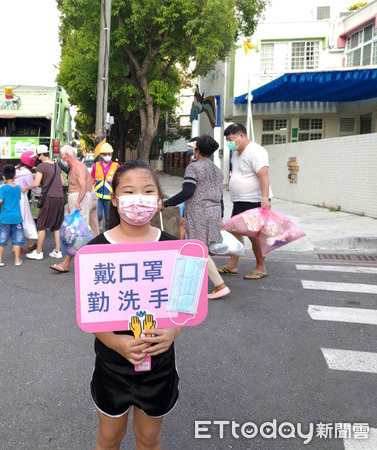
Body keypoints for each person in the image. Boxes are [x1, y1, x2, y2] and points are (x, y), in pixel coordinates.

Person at [85, 160, 182, 449]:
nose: (138, 199)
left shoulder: (173, 248)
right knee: (109, 437)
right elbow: (91, 311)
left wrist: (173, 331)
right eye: (129, 191)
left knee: (149, 439)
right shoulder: (96, 251)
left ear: (159, 200)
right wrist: (115, 342)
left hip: (159, 362)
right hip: (113, 363)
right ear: (114, 199)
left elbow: (183, 305)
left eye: (148, 191)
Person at [163, 135, 230, 300]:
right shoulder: (217, 170)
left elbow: (188, 192)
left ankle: (220, 285)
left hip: (199, 211)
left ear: (197, 150)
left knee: (198, 250)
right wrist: (221, 217)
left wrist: (165, 204)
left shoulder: (193, 168)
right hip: (214, 211)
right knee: (200, 249)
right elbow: (220, 196)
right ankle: (192, 283)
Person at [219, 123, 272, 280]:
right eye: (227, 140)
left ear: (241, 136)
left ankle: (261, 267)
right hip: (239, 201)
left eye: (231, 139)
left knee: (254, 235)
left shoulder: (256, 151)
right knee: (233, 231)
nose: (229, 142)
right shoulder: (236, 153)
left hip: (254, 200)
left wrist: (264, 198)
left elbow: (263, 175)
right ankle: (233, 264)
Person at [50, 145, 92, 273]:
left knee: (78, 232)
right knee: (77, 231)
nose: (63, 159)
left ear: (67, 155)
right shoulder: (74, 168)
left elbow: (84, 186)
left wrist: (78, 202)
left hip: (80, 198)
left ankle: (67, 263)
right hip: (77, 198)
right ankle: (82, 260)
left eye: (63, 157)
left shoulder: (79, 167)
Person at [22, 145, 64, 260]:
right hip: (60, 198)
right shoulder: (56, 165)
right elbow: (62, 182)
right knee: (57, 226)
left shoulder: (41, 166)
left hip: (49, 198)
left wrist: (26, 188)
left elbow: (36, 184)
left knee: (41, 225)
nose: (37, 158)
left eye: (37, 156)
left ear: (41, 155)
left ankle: (39, 252)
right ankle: (58, 251)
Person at [0, 165, 24, 267]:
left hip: (5, 218)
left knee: (2, 239)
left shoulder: (3, 188)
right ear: (15, 176)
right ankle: (17, 260)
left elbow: (0, 200)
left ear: (3, 177)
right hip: (17, 218)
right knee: (17, 239)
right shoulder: (18, 187)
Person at [91, 143, 120, 232]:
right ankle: (96, 235)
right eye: (105, 154)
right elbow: (92, 180)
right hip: (98, 197)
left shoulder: (116, 166)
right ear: (102, 155)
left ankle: (107, 237)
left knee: (108, 219)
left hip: (110, 198)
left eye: (109, 154)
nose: (107, 156)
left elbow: (119, 181)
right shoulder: (96, 166)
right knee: (98, 216)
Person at [15, 150, 39, 253]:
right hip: (21, 198)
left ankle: (30, 244)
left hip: (13, 198)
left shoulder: (16, 168)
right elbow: (34, 188)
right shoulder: (27, 173)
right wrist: (44, 192)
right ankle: (17, 247)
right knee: (25, 220)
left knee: (19, 220)